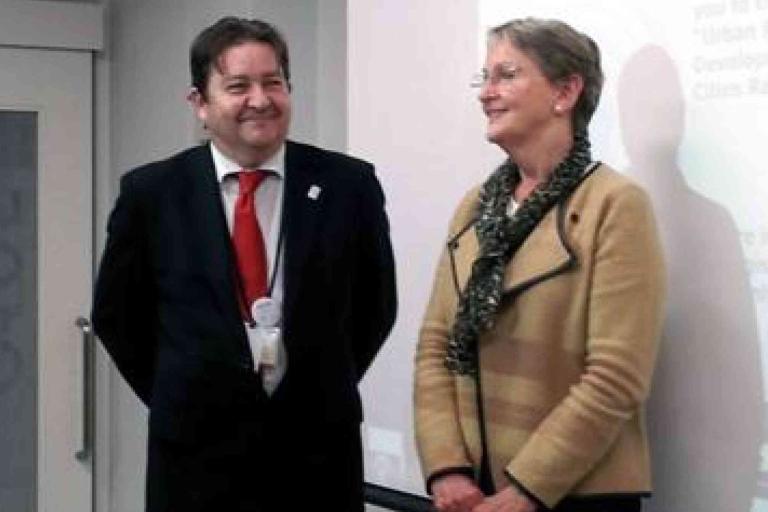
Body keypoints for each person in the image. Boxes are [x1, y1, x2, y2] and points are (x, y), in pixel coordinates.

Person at [92, 16, 396, 512]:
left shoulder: (348, 185)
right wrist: (187, 387)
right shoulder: (152, 193)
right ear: (200, 103)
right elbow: (118, 317)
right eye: (238, 85)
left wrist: (317, 381)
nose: (260, 99)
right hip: (195, 459)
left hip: (318, 457)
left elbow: (375, 307)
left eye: (273, 82)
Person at [413, 18, 665, 512]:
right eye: (483, 78)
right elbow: (434, 347)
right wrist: (446, 469)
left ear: (566, 91)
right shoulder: (474, 208)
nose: (486, 93)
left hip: (573, 494)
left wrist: (527, 491)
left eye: (506, 75)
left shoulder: (615, 204)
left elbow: (616, 376)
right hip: (471, 492)